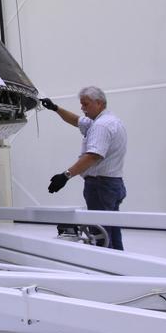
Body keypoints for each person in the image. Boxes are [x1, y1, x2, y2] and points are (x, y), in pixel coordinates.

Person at [41, 87, 129, 250]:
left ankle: (105, 263)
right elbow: (77, 121)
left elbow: (93, 156)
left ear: (99, 103)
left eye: (85, 104)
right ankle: (118, 260)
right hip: (113, 184)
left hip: (101, 186)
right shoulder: (107, 120)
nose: (82, 108)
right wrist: (55, 108)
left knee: (101, 232)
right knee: (112, 230)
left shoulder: (101, 126)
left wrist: (65, 175)